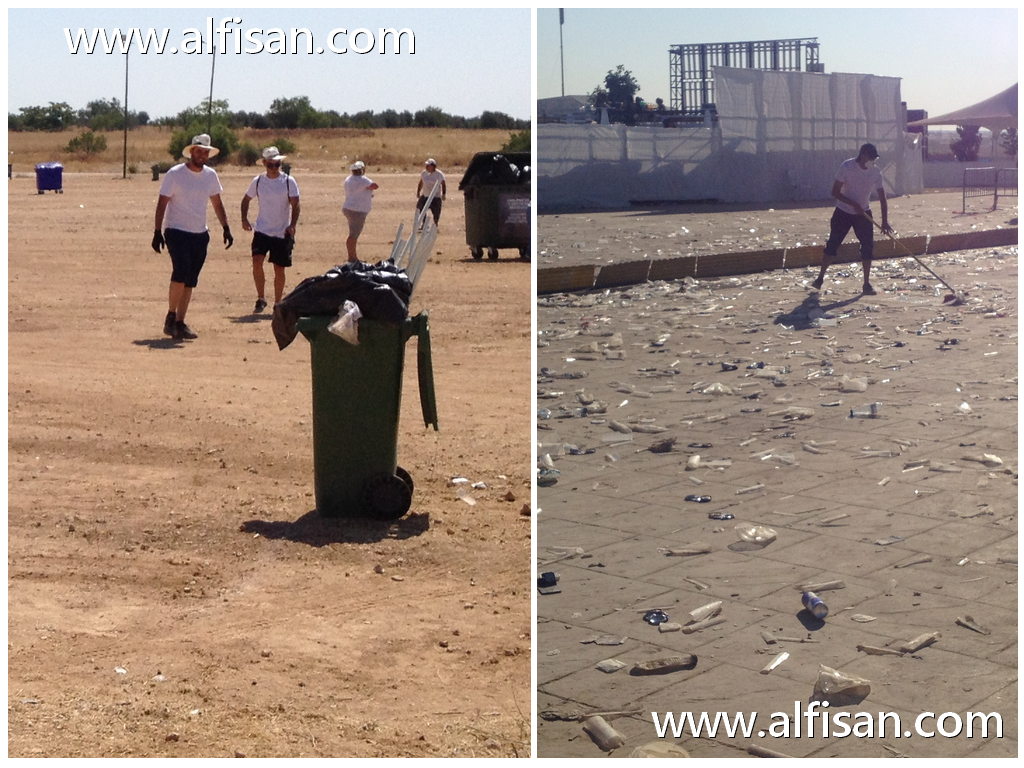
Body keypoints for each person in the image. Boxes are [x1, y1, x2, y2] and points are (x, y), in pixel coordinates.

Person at [152, 133, 233, 340]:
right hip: (176, 231)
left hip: (200, 233)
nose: (202, 155)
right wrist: (157, 231)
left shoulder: (210, 176)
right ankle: (171, 316)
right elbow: (162, 203)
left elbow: (217, 202)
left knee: (190, 280)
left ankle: (180, 322)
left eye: (205, 152)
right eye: (198, 151)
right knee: (181, 272)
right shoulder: (175, 174)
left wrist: (225, 227)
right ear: (191, 152)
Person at [812, 143, 893, 296]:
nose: (873, 161)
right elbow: (835, 192)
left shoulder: (875, 171)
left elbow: (882, 198)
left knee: (868, 247)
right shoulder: (847, 166)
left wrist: (884, 221)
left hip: (863, 213)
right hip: (843, 212)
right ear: (863, 155)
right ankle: (820, 277)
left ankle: (866, 284)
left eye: (874, 159)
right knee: (833, 244)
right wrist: (853, 204)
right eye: (871, 158)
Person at [241, 147, 300, 312]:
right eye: (271, 164)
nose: (274, 167)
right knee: (257, 261)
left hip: (281, 232)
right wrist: (244, 219)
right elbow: (246, 200)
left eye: (277, 164)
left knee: (279, 269)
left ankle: (278, 302)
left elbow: (296, 204)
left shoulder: (288, 181)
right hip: (262, 230)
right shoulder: (258, 181)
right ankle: (261, 298)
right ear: (264, 164)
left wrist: (292, 225)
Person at [342, 160, 378, 262]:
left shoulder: (348, 179)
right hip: (357, 211)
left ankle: (352, 256)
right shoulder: (363, 180)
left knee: (353, 233)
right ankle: (352, 257)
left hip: (349, 208)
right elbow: (375, 185)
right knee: (354, 235)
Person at [415, 158, 447, 228]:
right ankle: (424, 224)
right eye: (426, 165)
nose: (426, 167)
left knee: (436, 212)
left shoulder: (439, 174)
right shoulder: (424, 173)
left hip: (435, 197)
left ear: (433, 166)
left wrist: (444, 194)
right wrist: (418, 192)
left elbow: (443, 184)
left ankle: (435, 225)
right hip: (425, 196)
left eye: (428, 165)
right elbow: (421, 183)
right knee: (420, 208)